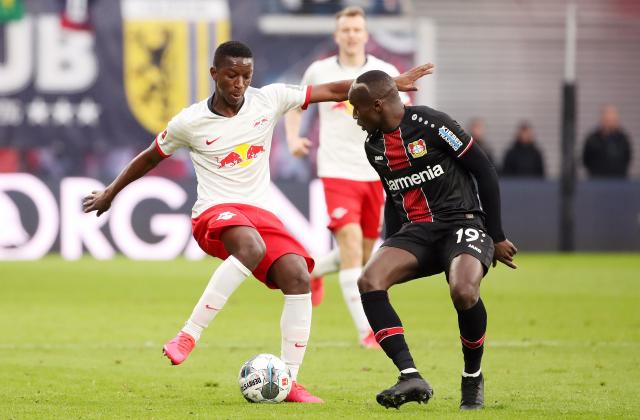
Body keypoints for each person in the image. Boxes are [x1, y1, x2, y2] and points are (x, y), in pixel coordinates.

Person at [82, 41, 433, 403]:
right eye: (231, 75)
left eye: (246, 76)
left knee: (299, 275)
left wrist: (391, 83)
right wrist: (111, 192)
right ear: (214, 73)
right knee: (252, 246)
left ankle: (289, 381)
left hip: (259, 215)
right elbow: (149, 158)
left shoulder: (271, 99)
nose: (239, 84)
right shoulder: (189, 122)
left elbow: (334, 90)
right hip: (214, 213)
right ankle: (189, 334)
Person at [347, 70, 517, 410]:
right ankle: (409, 374)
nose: (355, 116)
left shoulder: (433, 125)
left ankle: (472, 377)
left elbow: (483, 170)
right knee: (369, 279)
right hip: (417, 232)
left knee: (464, 292)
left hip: (462, 222)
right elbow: (392, 196)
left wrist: (496, 235)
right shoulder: (374, 146)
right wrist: (390, 244)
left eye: (358, 108)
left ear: (378, 105)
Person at [285, 6, 407, 348]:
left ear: (366, 35)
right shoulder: (320, 70)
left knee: (366, 257)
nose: (352, 35)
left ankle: (315, 272)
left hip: (377, 173)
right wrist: (294, 139)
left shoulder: (385, 72)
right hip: (336, 172)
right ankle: (367, 330)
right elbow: (296, 105)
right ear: (337, 35)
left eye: (357, 29)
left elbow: (404, 111)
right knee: (352, 247)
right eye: (346, 30)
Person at [582, 104, 632, 178]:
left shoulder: (623, 139)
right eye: (608, 120)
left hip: (619, 181)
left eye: (613, 120)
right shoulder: (592, 138)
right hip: (596, 181)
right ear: (602, 119)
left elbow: (627, 158)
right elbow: (586, 159)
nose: (610, 123)